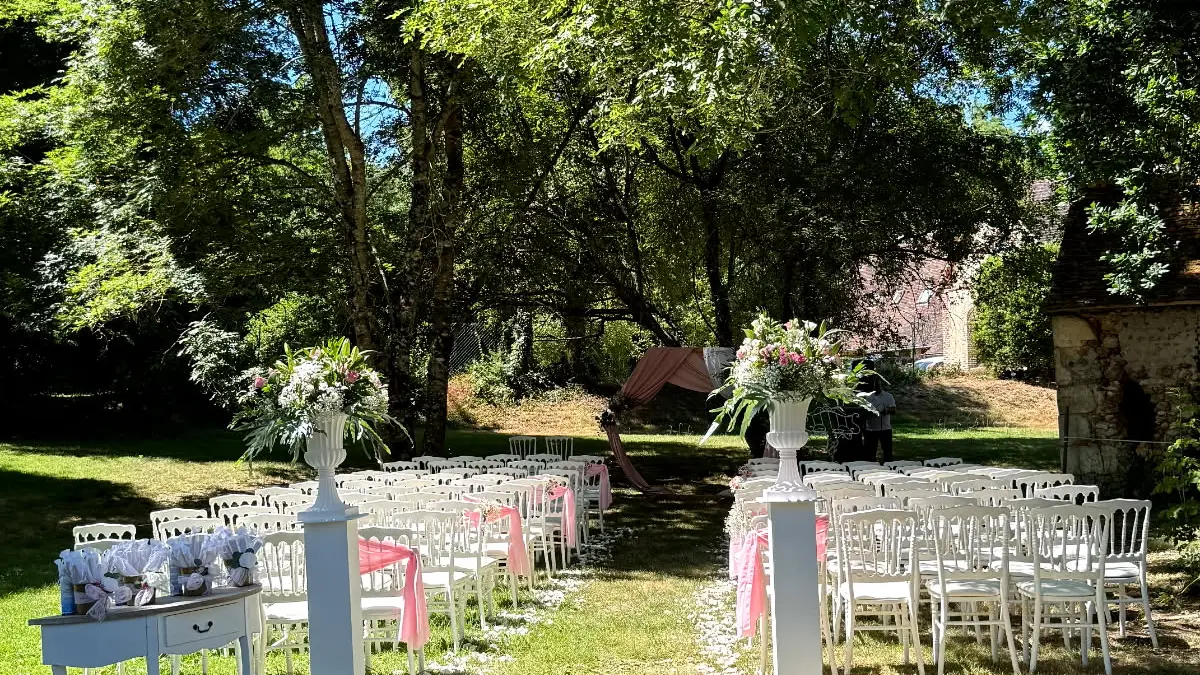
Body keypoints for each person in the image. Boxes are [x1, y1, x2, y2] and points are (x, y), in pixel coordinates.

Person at [861, 376, 897, 462]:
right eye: (874, 385)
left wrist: (885, 410)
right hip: (871, 429)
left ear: (880, 385)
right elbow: (863, 412)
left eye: (877, 385)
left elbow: (893, 410)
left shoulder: (888, 396)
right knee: (869, 453)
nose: (876, 387)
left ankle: (889, 467)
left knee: (887, 452)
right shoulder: (868, 397)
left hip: (885, 429)